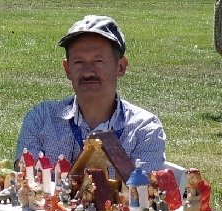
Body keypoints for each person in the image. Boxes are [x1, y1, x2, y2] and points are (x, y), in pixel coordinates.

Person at [13, 14, 166, 175]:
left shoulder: (144, 129)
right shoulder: (41, 118)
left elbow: (142, 188)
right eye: (78, 62)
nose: (87, 72)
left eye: (98, 61)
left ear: (121, 67)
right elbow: (25, 178)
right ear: (67, 68)